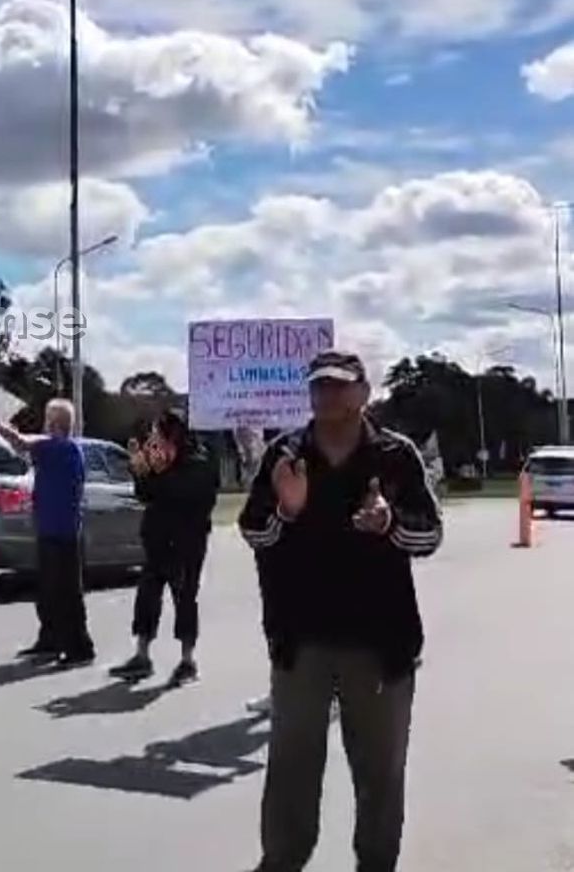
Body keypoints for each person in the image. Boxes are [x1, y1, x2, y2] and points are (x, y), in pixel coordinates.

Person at [239, 350, 443, 872]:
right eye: (319, 386)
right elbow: (253, 529)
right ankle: (282, 860)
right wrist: (288, 508)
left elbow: (430, 534)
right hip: (300, 637)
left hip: (380, 641)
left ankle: (376, 863)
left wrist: (389, 521)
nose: (327, 395)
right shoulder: (285, 453)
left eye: (339, 385)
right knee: (291, 766)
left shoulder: (395, 456)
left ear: (363, 393)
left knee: (380, 771)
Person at [109, 410, 220, 686]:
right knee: (147, 595)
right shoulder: (161, 461)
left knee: (185, 599)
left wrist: (160, 472)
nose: (154, 438)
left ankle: (187, 661)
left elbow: (189, 497)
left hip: (187, 543)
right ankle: (142, 655)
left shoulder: (200, 461)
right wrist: (140, 471)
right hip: (157, 539)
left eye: (160, 432)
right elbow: (146, 495)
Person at [0, 398, 96, 667]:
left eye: (48, 419)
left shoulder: (61, 448)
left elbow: (23, 443)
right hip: (50, 529)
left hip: (64, 532)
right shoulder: (56, 449)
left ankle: (80, 649)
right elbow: (24, 447)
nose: (45, 423)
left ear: (55, 423)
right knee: (48, 591)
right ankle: (50, 641)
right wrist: (7, 432)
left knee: (67, 593)